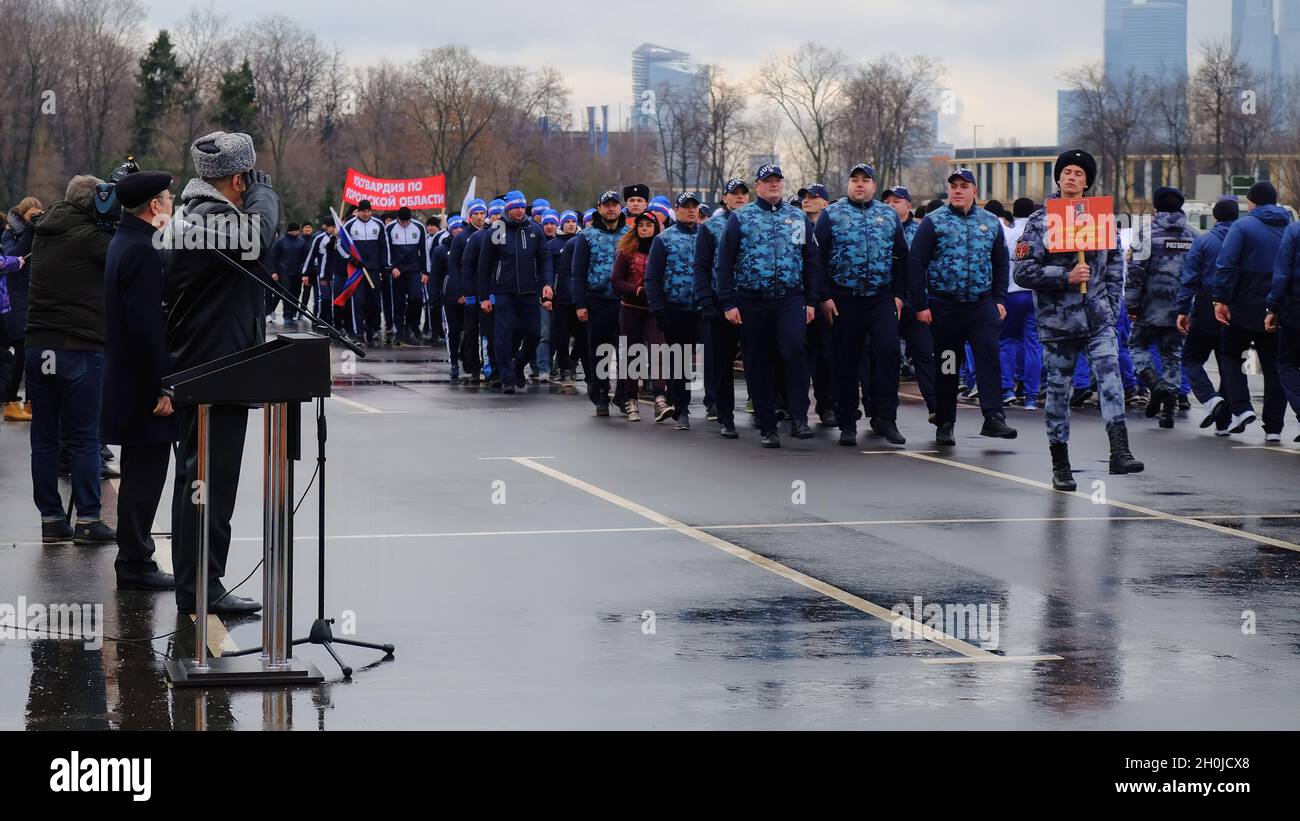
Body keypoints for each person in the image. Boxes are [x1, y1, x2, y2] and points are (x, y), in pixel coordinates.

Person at [162, 130, 278, 615]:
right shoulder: (210, 219)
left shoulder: (197, 217)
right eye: (247, 182)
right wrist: (266, 194)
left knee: (198, 481)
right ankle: (201, 586)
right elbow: (261, 235)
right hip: (215, 369)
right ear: (236, 179)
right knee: (209, 484)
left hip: (208, 365)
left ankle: (198, 582)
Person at [1012, 149, 1142, 489]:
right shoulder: (1039, 221)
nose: (1071, 177)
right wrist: (1064, 274)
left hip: (1097, 318)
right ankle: (1061, 464)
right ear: (1058, 177)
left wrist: (1111, 308)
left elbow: (1115, 266)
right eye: (1066, 171)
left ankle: (1120, 450)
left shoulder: (1100, 219)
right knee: (1058, 391)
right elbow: (1023, 271)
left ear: (1087, 182)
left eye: (1079, 173)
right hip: (1058, 322)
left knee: (1112, 379)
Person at [24, 176, 115, 545]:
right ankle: (89, 519)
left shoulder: (44, 228)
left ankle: (51, 518)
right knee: (84, 438)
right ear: (94, 203)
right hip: (78, 345)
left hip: (37, 344)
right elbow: (123, 257)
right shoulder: (92, 237)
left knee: (44, 437)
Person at [102, 171, 178, 590]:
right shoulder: (144, 250)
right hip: (143, 388)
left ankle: (134, 556)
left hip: (128, 381)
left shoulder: (123, 242)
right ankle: (135, 562)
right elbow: (148, 328)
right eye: (168, 199)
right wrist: (163, 386)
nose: (171, 204)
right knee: (145, 477)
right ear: (154, 206)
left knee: (138, 473)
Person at [715, 163, 821, 448]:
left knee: (794, 348)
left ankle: (799, 417)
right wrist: (727, 302)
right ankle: (767, 424)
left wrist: (811, 301)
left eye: (777, 180)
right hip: (752, 299)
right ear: (757, 186)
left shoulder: (798, 218)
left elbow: (811, 261)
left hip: (790, 298)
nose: (773, 185)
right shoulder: (741, 218)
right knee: (758, 360)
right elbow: (724, 262)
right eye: (767, 181)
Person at [909, 168, 1016, 446]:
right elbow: (916, 262)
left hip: (981, 305)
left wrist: (1000, 299)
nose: (957, 190)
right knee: (947, 365)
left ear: (974, 191)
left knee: (988, 356)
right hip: (944, 306)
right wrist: (920, 304)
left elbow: (1001, 262)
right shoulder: (933, 222)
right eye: (953, 186)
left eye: (964, 186)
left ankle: (994, 417)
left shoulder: (990, 222)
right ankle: (945, 421)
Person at [815, 163, 909, 446]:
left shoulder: (888, 215)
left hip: (880, 297)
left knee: (888, 354)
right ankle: (847, 423)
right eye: (854, 180)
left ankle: (886, 418)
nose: (859, 185)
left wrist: (899, 296)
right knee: (846, 361)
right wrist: (824, 297)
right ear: (848, 184)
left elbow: (902, 258)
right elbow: (817, 259)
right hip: (844, 298)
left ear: (873, 185)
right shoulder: (831, 214)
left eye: (865, 180)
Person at [1214, 181, 1293, 441]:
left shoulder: (1242, 226)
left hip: (1243, 303)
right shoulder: (1289, 226)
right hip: (1278, 305)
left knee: (1230, 354)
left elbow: (1227, 264)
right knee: (1274, 364)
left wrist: (1221, 299)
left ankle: (1241, 408)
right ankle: (1274, 427)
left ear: (1252, 202)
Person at [1126, 186, 1198, 429]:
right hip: (1181, 309)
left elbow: (1135, 273)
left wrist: (1131, 305)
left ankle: (1154, 386)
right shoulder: (1193, 236)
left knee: (1136, 346)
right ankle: (1168, 410)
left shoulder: (1146, 235)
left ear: (1156, 207)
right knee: (1172, 357)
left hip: (1149, 308)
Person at [476, 190, 552, 394]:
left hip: (529, 291)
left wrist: (547, 283)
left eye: (522, 206)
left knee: (534, 334)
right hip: (503, 291)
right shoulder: (495, 230)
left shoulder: (534, 230)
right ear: (508, 209)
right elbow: (484, 266)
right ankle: (507, 377)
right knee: (503, 335)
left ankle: (519, 364)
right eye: (515, 207)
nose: (519, 210)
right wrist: (484, 297)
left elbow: (545, 259)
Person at [696, 178, 750, 438]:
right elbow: (702, 267)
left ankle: (765, 410)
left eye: (743, 193)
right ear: (724, 198)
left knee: (758, 360)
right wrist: (707, 301)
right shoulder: (711, 228)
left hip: (753, 302)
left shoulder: (757, 221)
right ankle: (724, 414)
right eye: (734, 194)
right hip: (720, 304)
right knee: (721, 363)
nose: (739, 198)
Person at [1178, 197, 1237, 432]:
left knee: (1191, 359)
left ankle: (1211, 399)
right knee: (1228, 364)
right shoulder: (1243, 241)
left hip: (1205, 307)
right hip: (1235, 308)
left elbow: (1189, 278)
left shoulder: (1204, 242)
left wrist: (1183, 309)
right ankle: (1224, 421)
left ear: (1215, 217)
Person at [646, 193, 703, 429]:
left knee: (712, 358)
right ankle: (681, 408)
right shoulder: (664, 239)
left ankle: (717, 406)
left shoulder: (707, 236)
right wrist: (658, 308)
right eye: (685, 207)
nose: (690, 211)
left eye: (694, 207)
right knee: (678, 360)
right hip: (675, 308)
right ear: (676, 210)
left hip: (704, 307)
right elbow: (653, 277)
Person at [573, 190, 630, 415]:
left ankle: (624, 394)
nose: (611, 208)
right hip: (597, 301)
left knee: (627, 350)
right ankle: (600, 393)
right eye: (607, 205)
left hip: (625, 301)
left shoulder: (630, 234)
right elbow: (577, 273)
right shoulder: (586, 236)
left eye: (615, 205)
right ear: (599, 208)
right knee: (600, 351)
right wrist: (580, 304)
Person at [883, 185, 937, 420]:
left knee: (924, 355)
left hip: (917, 304)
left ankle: (937, 408)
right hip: (885, 305)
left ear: (908, 205)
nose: (891, 205)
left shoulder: (921, 231)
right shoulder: (878, 230)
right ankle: (883, 413)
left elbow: (933, 266)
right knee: (886, 357)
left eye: (897, 201)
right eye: (887, 201)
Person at [611, 210, 669, 421]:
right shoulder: (627, 250)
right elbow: (616, 281)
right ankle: (630, 399)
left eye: (649, 226)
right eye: (641, 225)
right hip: (631, 308)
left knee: (659, 351)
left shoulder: (662, 248)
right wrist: (636, 290)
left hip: (655, 308)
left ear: (655, 228)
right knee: (632, 353)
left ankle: (660, 397)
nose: (645, 229)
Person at [997, 197, 1041, 410]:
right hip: (1034, 294)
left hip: (1012, 294)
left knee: (1007, 341)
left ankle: (1007, 389)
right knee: (1033, 346)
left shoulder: (1008, 234)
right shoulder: (1038, 234)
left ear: (1013, 214)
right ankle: (1032, 395)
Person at [2, 196, 42, 421]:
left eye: (38, 216)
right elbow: (12, 258)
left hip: (34, 298)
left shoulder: (39, 234)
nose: (34, 221)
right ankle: (9, 401)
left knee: (33, 352)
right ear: (22, 215)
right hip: (14, 300)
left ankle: (31, 400)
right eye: (31, 217)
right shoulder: (10, 233)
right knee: (21, 351)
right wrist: (29, 232)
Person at [1268, 216, 1300, 439]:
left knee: (1286, 363)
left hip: (1296, 307)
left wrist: (1272, 308)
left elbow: (1282, 272)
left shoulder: (1294, 231)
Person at [342, 199, 391, 346]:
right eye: (363, 211)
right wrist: (352, 259)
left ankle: (372, 329)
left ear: (371, 211)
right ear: (358, 211)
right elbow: (341, 245)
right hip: (357, 270)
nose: (365, 214)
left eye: (368, 211)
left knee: (374, 302)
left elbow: (384, 246)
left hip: (374, 270)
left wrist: (385, 267)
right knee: (358, 301)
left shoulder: (378, 225)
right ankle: (358, 333)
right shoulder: (349, 225)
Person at [449, 199, 488, 383]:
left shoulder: (492, 234)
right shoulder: (461, 237)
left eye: (482, 213)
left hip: (487, 291)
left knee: (488, 331)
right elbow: (455, 267)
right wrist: (460, 292)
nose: (480, 217)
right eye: (476, 214)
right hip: (469, 291)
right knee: (471, 331)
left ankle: (490, 366)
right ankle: (473, 367)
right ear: (470, 216)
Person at [551, 210, 587, 388]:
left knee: (582, 336)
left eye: (574, 221)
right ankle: (564, 367)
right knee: (562, 336)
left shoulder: (584, 241)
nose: (571, 224)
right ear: (562, 224)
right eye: (568, 221)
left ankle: (573, 361)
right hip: (563, 297)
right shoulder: (554, 244)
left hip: (581, 297)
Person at [386, 206, 429, 345]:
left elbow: (424, 250)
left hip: (414, 269)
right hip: (398, 271)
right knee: (398, 301)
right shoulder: (390, 228)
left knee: (417, 297)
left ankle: (413, 324)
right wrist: (391, 267)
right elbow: (386, 249)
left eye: (407, 222)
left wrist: (426, 271)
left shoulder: (419, 227)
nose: (404, 224)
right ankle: (398, 330)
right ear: (397, 219)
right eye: (402, 222)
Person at [431, 216, 464, 380]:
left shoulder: (469, 245)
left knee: (468, 331)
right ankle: (453, 363)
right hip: (449, 298)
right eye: (455, 228)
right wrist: (434, 297)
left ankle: (467, 358)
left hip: (467, 296)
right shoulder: (441, 250)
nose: (458, 230)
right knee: (453, 331)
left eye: (460, 227)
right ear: (450, 230)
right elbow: (435, 275)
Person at [266, 221, 309, 325]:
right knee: (286, 292)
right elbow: (274, 257)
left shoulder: (301, 242)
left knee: (296, 292)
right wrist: (274, 271)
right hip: (283, 271)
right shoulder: (281, 241)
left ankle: (293, 312)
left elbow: (305, 257)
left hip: (297, 272)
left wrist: (304, 272)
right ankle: (287, 314)